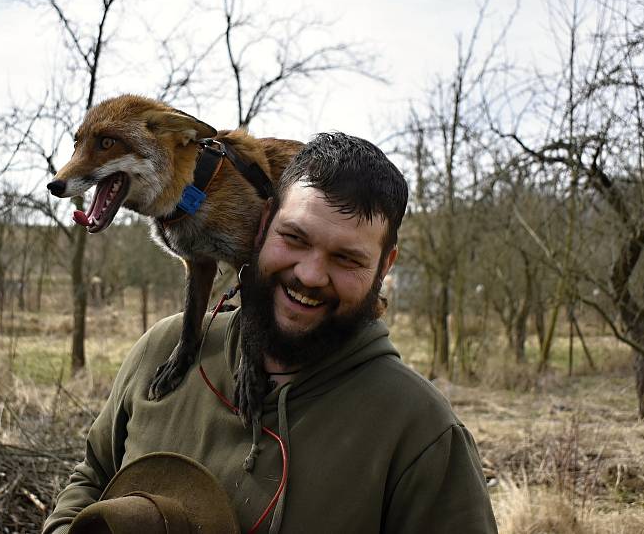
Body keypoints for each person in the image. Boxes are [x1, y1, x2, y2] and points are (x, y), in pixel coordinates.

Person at [43, 132, 497, 533]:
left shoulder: (420, 430)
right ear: (263, 226)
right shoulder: (160, 352)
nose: (311, 274)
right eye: (295, 239)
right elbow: (93, 474)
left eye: (347, 258)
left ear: (385, 266)